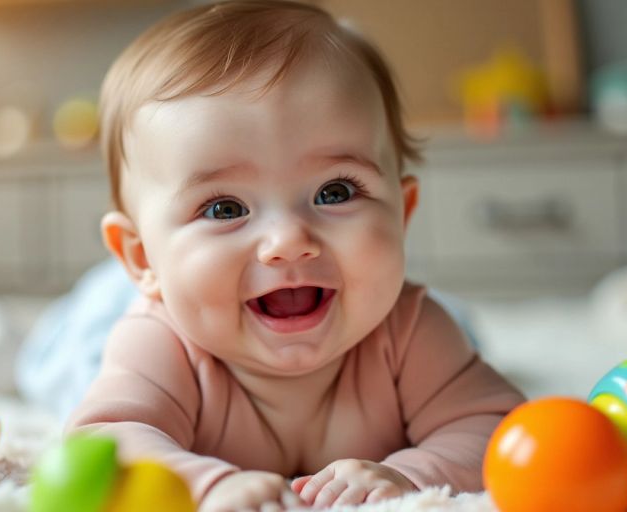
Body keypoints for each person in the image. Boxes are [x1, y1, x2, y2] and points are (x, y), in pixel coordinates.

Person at [66, 1, 526, 510]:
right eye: (224, 207)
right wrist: (205, 483)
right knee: (73, 349)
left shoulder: (410, 330)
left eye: (334, 192)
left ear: (402, 213)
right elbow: (102, 443)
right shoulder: (161, 344)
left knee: (459, 329)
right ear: (142, 259)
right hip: (118, 308)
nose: (288, 240)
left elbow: (502, 431)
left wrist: (411, 475)